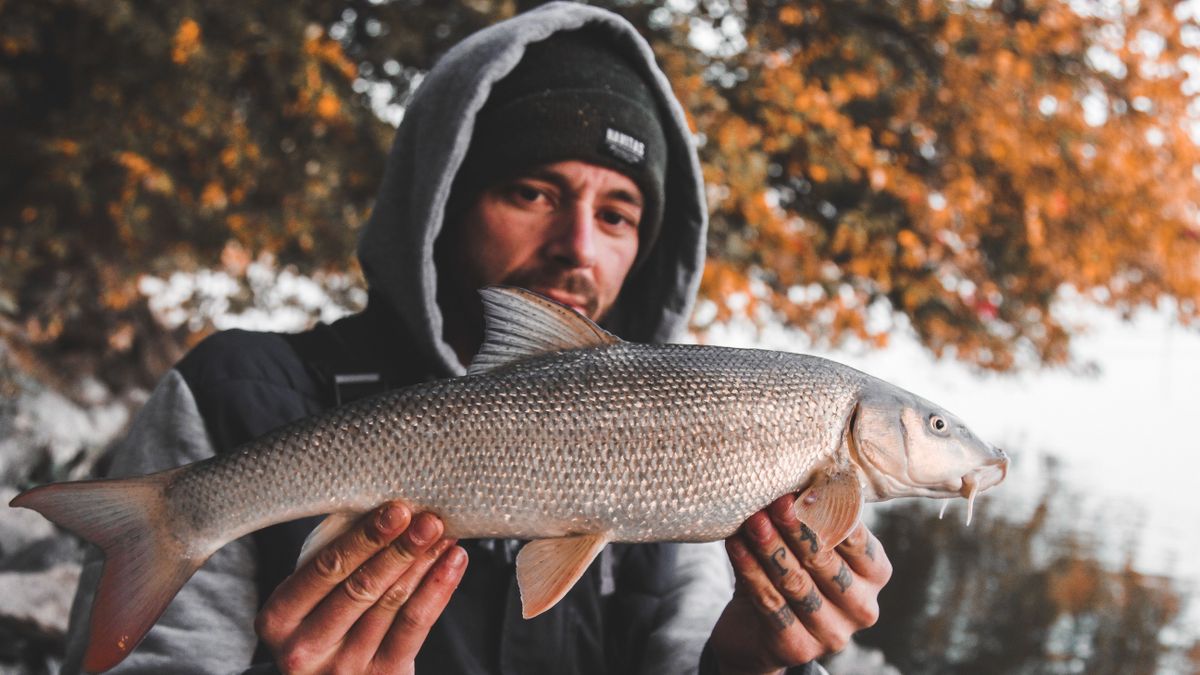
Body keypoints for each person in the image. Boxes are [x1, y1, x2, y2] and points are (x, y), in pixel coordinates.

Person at [63, 3, 891, 673]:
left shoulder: (687, 440)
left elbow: (692, 652)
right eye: (533, 192)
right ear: (440, 205)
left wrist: (747, 664)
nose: (578, 243)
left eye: (617, 214)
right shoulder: (232, 393)